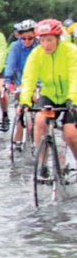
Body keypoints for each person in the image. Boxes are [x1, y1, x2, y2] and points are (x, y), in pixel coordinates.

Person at [18, 18, 77, 167]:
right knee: (39, 120)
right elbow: (28, 78)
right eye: (42, 40)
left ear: (58, 39)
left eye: (50, 40)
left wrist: (73, 99)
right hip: (49, 96)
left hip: (71, 98)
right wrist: (24, 101)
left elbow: (75, 76)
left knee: (70, 134)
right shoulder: (36, 54)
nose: (46, 45)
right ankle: (42, 163)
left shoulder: (71, 51)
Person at [2, 19, 39, 147]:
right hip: (22, 81)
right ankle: (18, 134)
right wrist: (8, 81)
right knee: (19, 108)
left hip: (39, 81)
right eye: (24, 38)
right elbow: (10, 64)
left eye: (30, 38)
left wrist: (37, 84)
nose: (27, 41)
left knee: (38, 101)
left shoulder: (40, 46)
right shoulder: (15, 46)